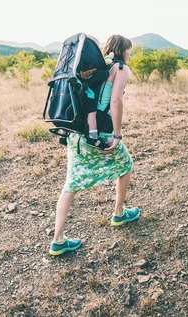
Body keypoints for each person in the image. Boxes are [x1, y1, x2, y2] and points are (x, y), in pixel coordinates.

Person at [49, 34, 140, 256]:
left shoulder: (94, 66)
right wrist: (117, 135)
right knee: (125, 166)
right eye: (129, 50)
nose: (130, 54)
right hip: (102, 131)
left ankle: (58, 240)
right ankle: (119, 213)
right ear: (123, 49)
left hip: (78, 132)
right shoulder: (120, 68)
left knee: (70, 184)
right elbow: (116, 101)